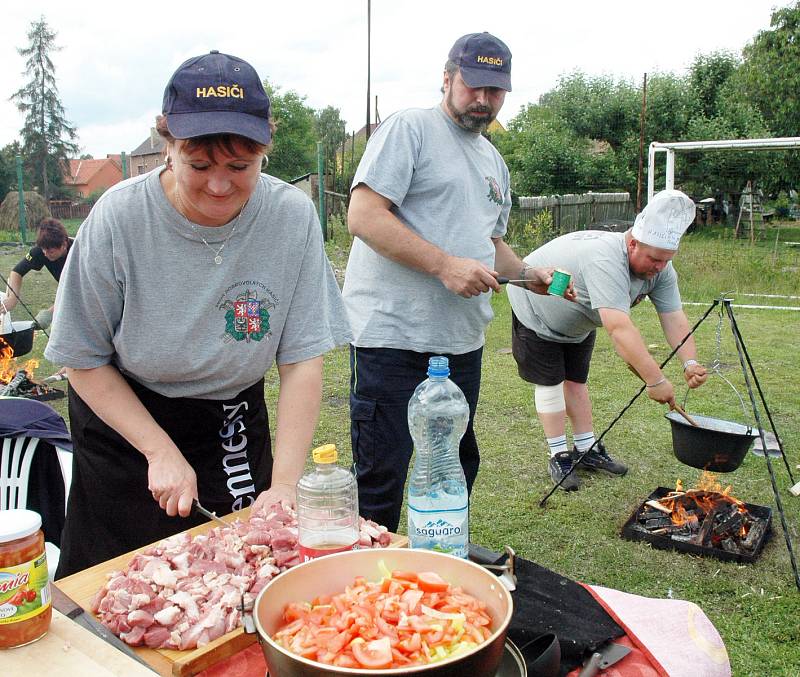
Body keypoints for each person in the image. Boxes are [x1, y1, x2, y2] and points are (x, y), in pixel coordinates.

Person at [45, 50, 352, 576]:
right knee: (126, 587)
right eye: (199, 165)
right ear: (167, 146)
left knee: (239, 579)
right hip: (128, 424)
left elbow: (302, 359)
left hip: (232, 421)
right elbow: (81, 357)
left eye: (240, 167)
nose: (218, 185)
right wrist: (158, 450)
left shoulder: (290, 217)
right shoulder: (118, 219)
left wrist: (283, 485)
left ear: (265, 152)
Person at [342, 32, 563, 532]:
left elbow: (489, 244)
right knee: (383, 475)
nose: (483, 100)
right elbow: (364, 216)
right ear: (447, 78)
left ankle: (434, 575)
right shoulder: (410, 129)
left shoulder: (494, 162)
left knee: (453, 470)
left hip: (460, 346)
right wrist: (445, 266)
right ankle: (363, 595)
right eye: (473, 86)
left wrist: (528, 275)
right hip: (392, 339)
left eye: (496, 91)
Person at [507, 189, 709, 491]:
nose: (659, 267)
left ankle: (587, 450)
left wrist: (689, 361)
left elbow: (674, 317)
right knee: (550, 381)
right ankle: (559, 454)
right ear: (632, 243)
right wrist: (655, 381)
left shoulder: (661, 269)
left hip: (578, 319)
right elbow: (619, 328)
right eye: (655, 259)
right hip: (536, 309)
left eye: (666, 260)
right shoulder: (605, 258)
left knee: (576, 381)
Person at [1, 218, 73, 330]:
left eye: (51, 251)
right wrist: (12, 298)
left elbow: (75, 293)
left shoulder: (79, 252)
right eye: (43, 250)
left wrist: (49, 313)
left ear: (64, 244)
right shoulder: (42, 251)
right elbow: (17, 272)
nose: (45, 254)